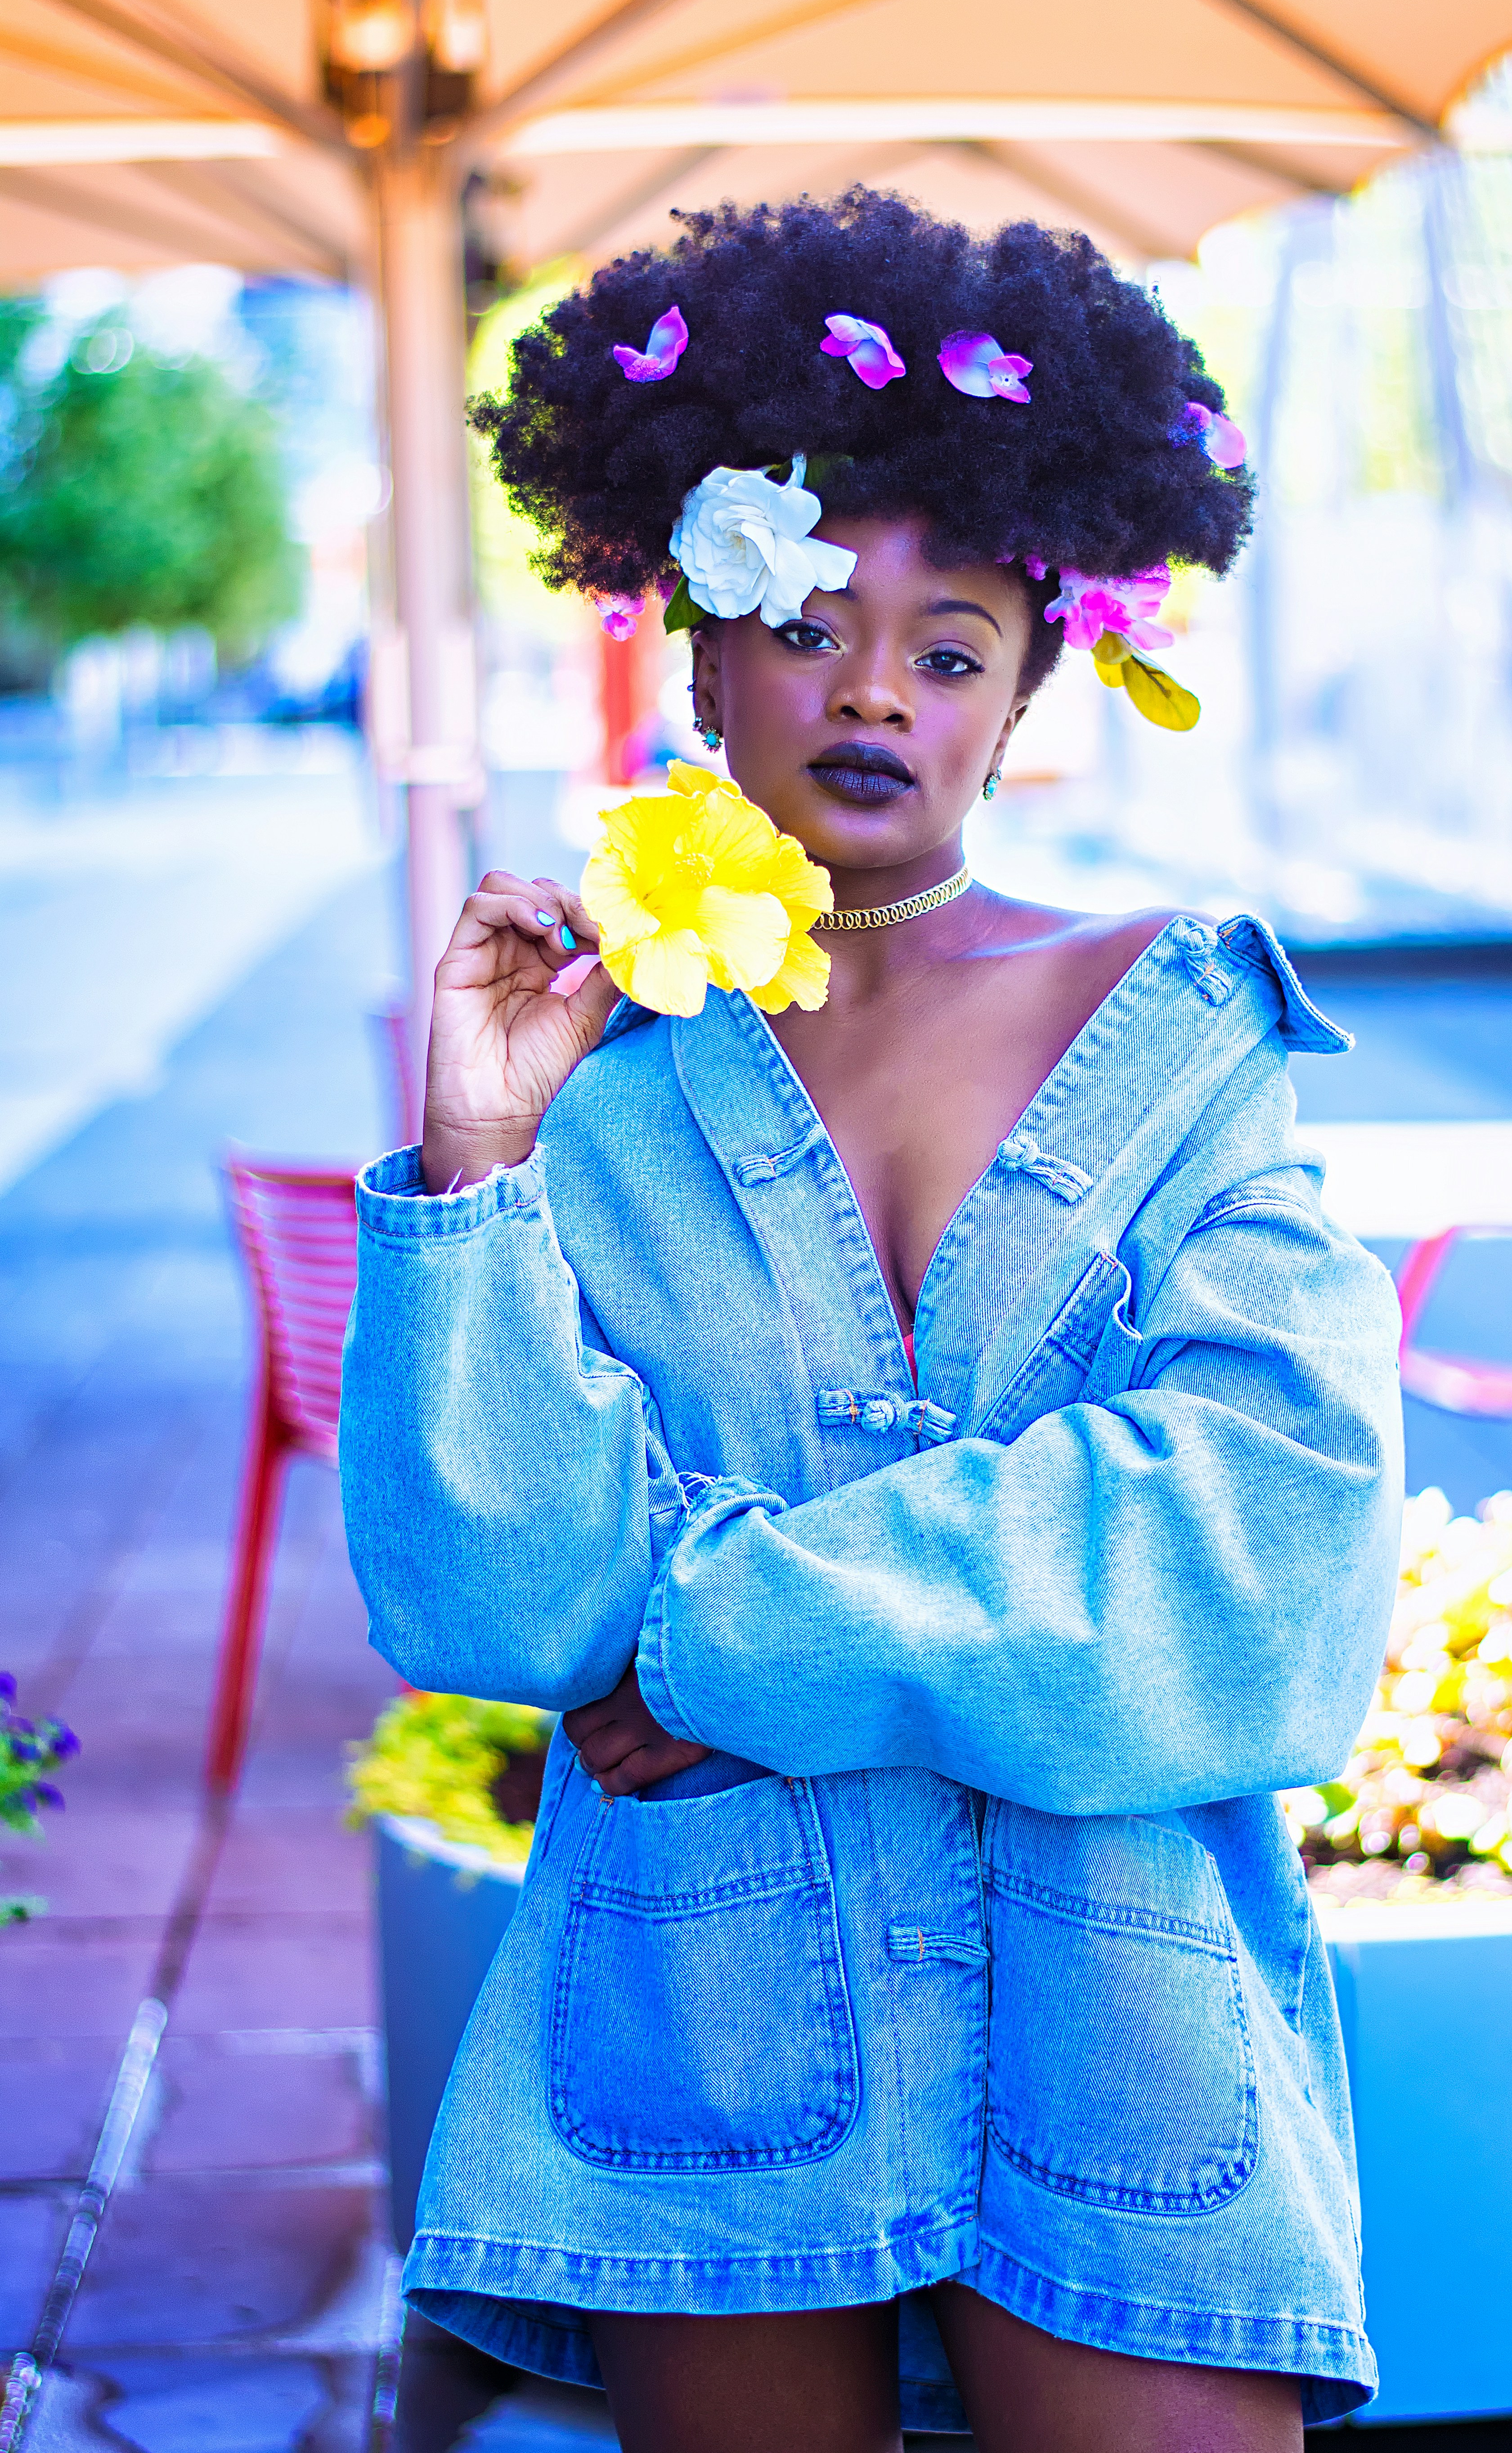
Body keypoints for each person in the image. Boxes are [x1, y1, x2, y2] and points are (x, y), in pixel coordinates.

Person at [341, 190, 1403, 2453]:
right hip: (705, 2005)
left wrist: (712, 1631)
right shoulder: (595, 1074)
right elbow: (496, 1601)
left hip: (1126, 2019)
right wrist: (473, 1167)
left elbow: (1267, 1558)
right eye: (814, 623)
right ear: (693, 643)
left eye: (954, 641)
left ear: (1034, 680)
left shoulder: (1174, 1021)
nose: (873, 691)